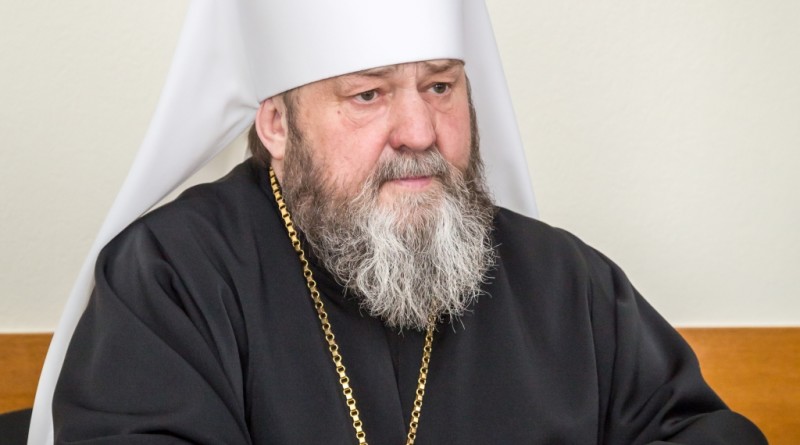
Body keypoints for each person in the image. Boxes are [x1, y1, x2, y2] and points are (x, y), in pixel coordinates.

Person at [31, 1, 766, 444]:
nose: (419, 132)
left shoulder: (565, 282)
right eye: (368, 95)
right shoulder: (170, 280)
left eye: (440, 86)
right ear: (277, 124)